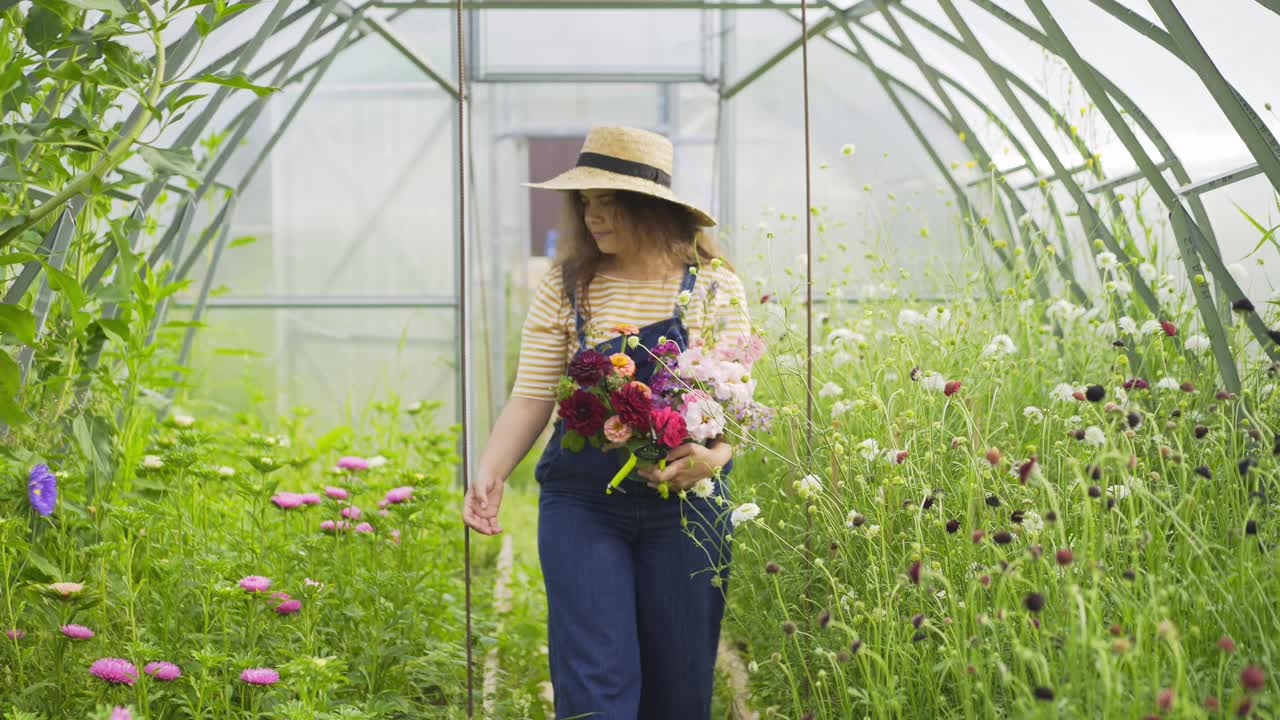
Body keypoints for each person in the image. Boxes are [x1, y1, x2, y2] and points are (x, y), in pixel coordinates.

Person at [462, 126, 751, 719]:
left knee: (679, 684)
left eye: (607, 201)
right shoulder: (568, 284)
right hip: (583, 503)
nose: (592, 217)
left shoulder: (713, 286)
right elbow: (532, 395)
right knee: (595, 680)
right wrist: (489, 472)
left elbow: (735, 405)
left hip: (687, 507)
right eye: (585, 203)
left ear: (649, 206)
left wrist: (714, 458)